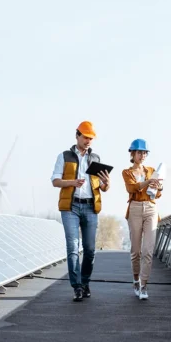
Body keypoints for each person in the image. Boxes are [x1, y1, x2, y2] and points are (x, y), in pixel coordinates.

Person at [51, 121, 111, 302]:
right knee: (73, 248)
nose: (88, 141)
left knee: (90, 249)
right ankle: (76, 286)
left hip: (91, 207)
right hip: (71, 207)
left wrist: (107, 183)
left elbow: (102, 187)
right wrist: (72, 182)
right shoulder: (64, 156)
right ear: (77, 136)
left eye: (91, 138)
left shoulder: (96, 158)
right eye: (85, 137)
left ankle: (85, 282)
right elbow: (55, 181)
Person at [121, 139, 162, 300]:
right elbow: (131, 188)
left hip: (151, 208)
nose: (142, 155)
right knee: (136, 251)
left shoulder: (151, 170)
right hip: (135, 209)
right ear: (132, 153)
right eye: (139, 152)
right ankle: (136, 280)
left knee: (148, 251)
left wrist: (158, 187)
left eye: (145, 153)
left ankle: (144, 285)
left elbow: (158, 194)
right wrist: (148, 182)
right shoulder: (127, 172)